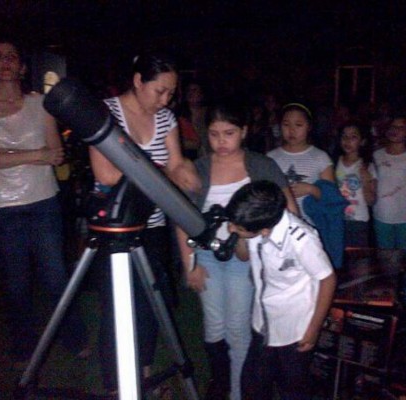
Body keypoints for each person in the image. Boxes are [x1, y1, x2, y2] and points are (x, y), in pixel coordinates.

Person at [0, 39, 89, 364]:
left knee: (56, 276)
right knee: (16, 282)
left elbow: (55, 154)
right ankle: (23, 344)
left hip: (43, 200)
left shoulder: (41, 104)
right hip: (1, 206)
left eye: (12, 56)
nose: (5, 61)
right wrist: (36, 154)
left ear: (21, 67)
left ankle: (73, 337)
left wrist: (23, 156)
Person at [88, 52, 200, 392]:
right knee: (117, 309)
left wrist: (189, 174)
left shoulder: (165, 119)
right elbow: (106, 174)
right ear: (138, 81)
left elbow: (177, 165)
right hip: (115, 228)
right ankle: (115, 386)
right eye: (159, 91)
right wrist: (163, 172)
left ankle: (144, 377)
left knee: (153, 305)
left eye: (171, 93)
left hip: (151, 226)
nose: (165, 100)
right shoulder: (105, 112)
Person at [176, 102, 297, 400]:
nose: (221, 142)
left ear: (243, 131)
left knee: (239, 328)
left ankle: (237, 392)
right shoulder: (200, 168)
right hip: (206, 255)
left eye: (229, 133)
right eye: (214, 134)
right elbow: (182, 218)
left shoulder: (261, 165)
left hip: (247, 258)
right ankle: (221, 380)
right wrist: (189, 264)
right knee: (214, 326)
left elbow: (288, 208)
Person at [226, 180, 336, 400]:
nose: (230, 229)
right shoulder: (253, 222)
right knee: (253, 386)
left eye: (237, 228)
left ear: (265, 230)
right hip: (263, 324)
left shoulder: (301, 239)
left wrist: (313, 331)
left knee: (292, 388)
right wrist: (237, 234)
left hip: (294, 330)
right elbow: (244, 256)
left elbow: (328, 279)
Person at [372, 115, 406, 305]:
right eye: (393, 125)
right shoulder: (377, 155)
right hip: (382, 216)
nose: (396, 130)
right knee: (386, 258)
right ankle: (389, 296)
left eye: (402, 127)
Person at [267, 103, 335, 224]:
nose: (291, 130)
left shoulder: (320, 157)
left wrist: (312, 189)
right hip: (278, 225)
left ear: (309, 126)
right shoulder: (270, 158)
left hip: (311, 226)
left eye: (298, 125)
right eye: (286, 124)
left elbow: (332, 198)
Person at [334, 122, 377, 248]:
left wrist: (366, 182)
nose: (348, 141)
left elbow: (371, 201)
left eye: (353, 137)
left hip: (358, 221)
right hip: (337, 219)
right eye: (344, 136)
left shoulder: (367, 166)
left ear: (362, 141)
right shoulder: (334, 162)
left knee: (358, 260)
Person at [177, 79, 208, 159]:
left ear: (202, 94)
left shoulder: (209, 114)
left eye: (194, 90)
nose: (190, 93)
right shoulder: (179, 115)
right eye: (188, 90)